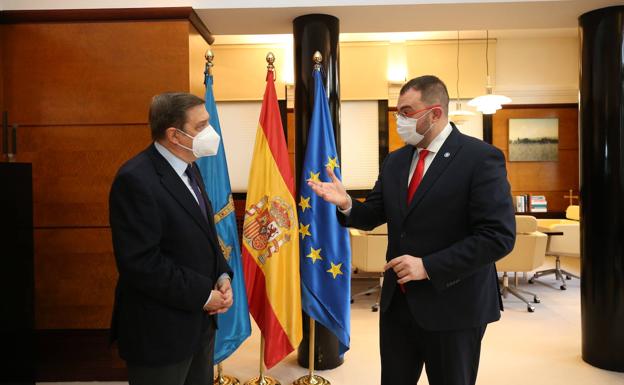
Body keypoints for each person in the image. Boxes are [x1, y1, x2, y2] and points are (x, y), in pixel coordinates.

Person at [308, 75, 515, 385]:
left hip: (454, 305)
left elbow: (497, 237)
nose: (398, 120)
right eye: (397, 112)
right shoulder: (395, 160)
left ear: (435, 113)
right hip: (398, 304)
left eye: (407, 112)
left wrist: (428, 266)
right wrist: (347, 203)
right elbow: (373, 213)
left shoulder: (480, 158)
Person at [109, 92, 234, 385]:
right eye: (201, 126)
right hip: (160, 332)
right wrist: (204, 296)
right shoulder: (135, 179)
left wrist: (221, 274)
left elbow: (206, 233)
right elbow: (141, 263)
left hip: (200, 327)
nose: (210, 133)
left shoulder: (191, 168)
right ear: (174, 135)